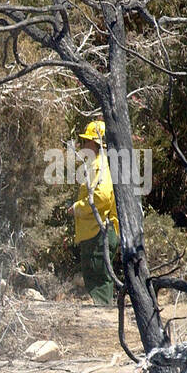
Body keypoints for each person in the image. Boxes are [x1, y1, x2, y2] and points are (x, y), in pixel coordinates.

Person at [72, 119, 121, 306]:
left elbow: (101, 197)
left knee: (99, 280)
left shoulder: (100, 166)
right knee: (98, 277)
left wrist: (77, 208)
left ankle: (104, 315)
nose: (83, 145)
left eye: (86, 141)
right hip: (96, 232)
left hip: (99, 233)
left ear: (96, 143)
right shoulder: (98, 164)